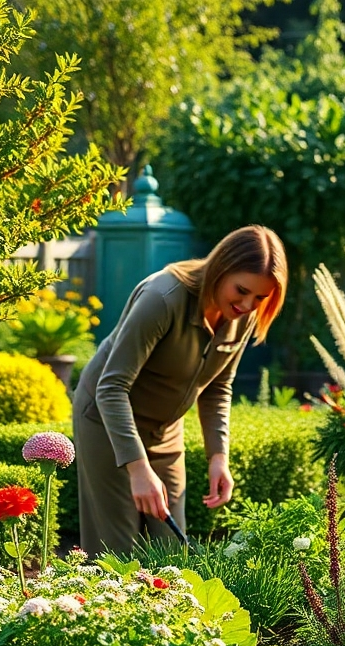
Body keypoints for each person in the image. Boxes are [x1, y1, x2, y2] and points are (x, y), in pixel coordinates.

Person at [72, 224, 288, 554]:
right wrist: (138, 468)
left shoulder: (241, 316)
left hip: (165, 431)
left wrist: (218, 456)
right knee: (120, 553)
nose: (247, 305)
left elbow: (218, 386)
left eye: (260, 297)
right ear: (221, 268)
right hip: (107, 423)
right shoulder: (162, 298)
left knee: (171, 551)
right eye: (241, 290)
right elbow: (112, 387)